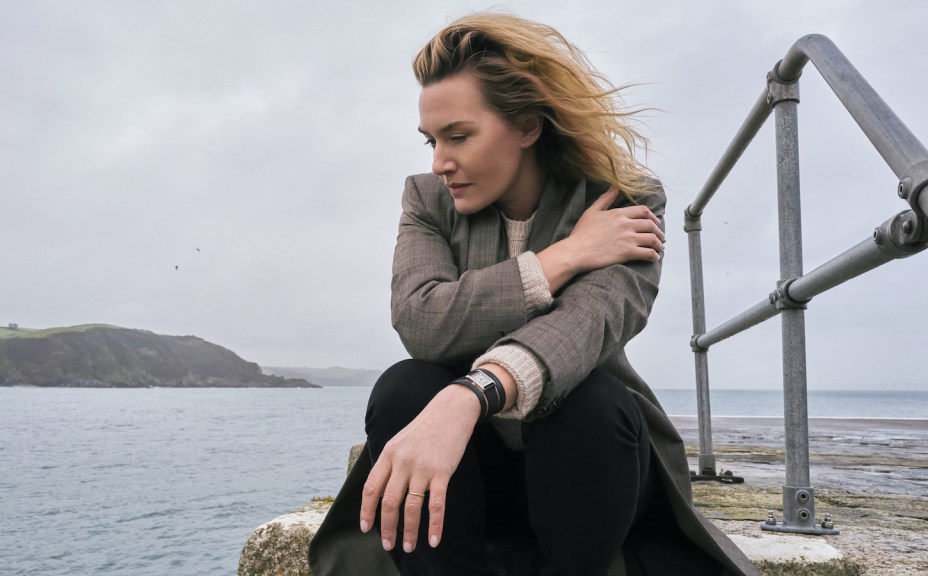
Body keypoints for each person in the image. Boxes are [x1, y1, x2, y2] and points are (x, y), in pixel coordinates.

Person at [310, 11, 759, 576]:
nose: (440, 162)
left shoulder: (624, 200)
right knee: (405, 388)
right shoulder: (427, 201)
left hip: (593, 471)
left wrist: (469, 394)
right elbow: (421, 321)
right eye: (431, 140)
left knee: (593, 404)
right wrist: (564, 256)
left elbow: (586, 323)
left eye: (458, 136)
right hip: (472, 476)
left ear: (526, 126)